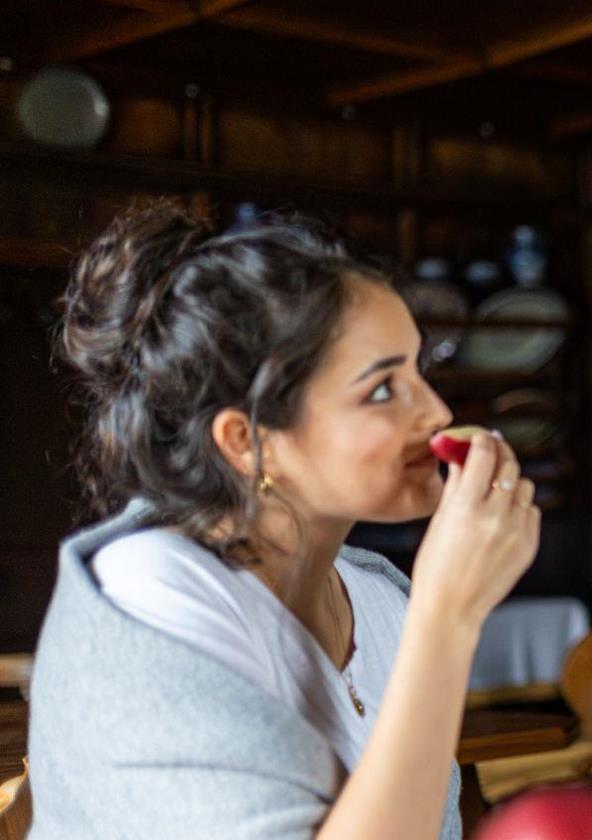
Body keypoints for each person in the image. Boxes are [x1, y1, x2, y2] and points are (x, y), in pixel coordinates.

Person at [28, 203, 539, 838]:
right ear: (246, 439)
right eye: (381, 389)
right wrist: (449, 615)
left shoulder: (383, 604)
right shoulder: (152, 599)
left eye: (420, 369)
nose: (435, 412)